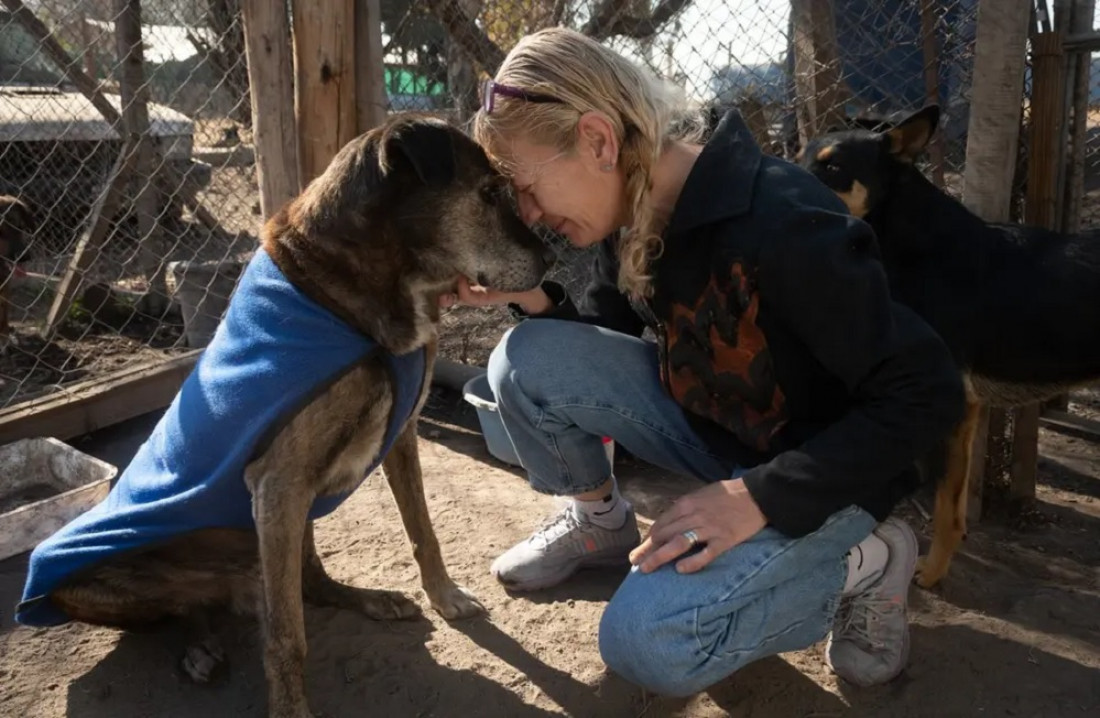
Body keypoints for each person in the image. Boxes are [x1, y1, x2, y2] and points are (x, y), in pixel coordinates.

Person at [442, 27, 964, 695]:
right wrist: (531, 297)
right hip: (722, 436)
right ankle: (600, 526)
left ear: (600, 142)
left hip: (828, 473)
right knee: (523, 359)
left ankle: (868, 560)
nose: (531, 215)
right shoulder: (630, 210)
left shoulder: (782, 219)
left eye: (528, 188)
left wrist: (758, 497)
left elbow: (927, 391)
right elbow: (602, 343)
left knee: (645, 642)